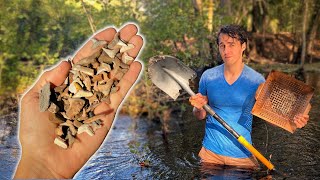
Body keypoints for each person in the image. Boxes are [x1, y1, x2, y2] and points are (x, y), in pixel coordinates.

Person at [14, 24, 143, 178]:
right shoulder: (66, 108)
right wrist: (39, 162)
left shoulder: (91, 86)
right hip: (79, 104)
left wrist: (38, 163)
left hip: (85, 94)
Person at [189, 24, 309, 169]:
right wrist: (197, 107)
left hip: (242, 157)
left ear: (243, 46)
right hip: (210, 155)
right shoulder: (208, 77)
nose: (226, 50)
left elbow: (270, 117)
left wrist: (295, 121)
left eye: (231, 45)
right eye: (222, 45)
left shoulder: (257, 81)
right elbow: (200, 115)